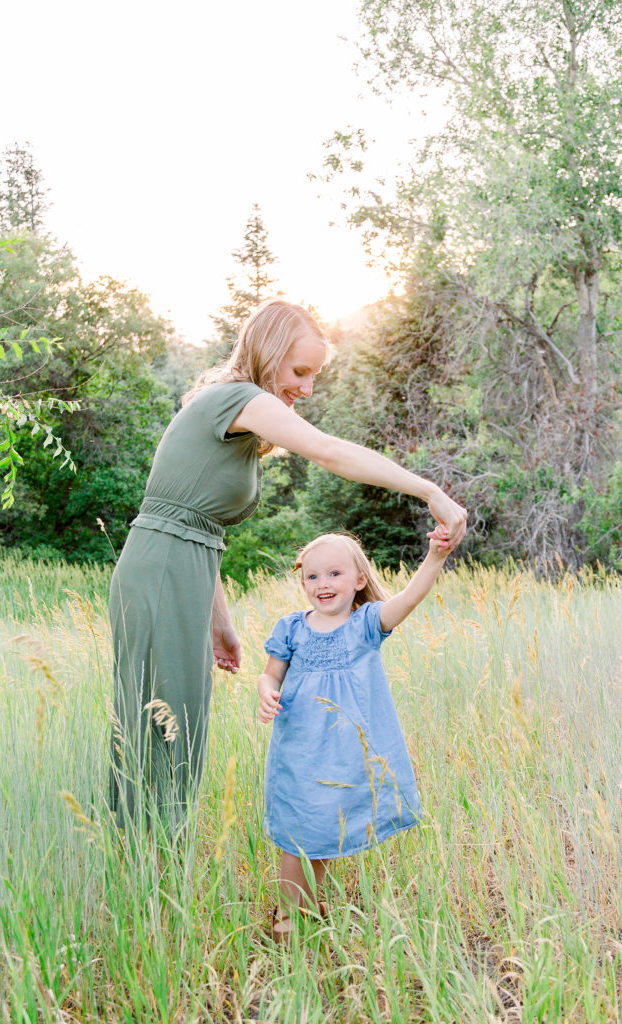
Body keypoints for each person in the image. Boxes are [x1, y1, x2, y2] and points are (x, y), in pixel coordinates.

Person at [109, 299, 466, 830]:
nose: (308, 388)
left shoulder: (240, 413)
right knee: (161, 729)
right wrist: (428, 488)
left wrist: (220, 620)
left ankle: (154, 864)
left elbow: (198, 524)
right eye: (300, 371)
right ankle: (143, 870)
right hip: (161, 571)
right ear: (267, 352)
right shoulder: (238, 397)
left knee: (176, 726)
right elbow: (328, 451)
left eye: (315, 375)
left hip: (182, 570)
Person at [257, 531, 451, 941]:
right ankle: (289, 917)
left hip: (347, 752)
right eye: (312, 576)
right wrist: (266, 692)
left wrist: (435, 556)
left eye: (334, 573)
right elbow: (271, 673)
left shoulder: (365, 624)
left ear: (359, 579)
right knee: (299, 827)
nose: (322, 584)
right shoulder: (291, 627)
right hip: (300, 747)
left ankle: (307, 899)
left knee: (326, 824)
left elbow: (409, 598)